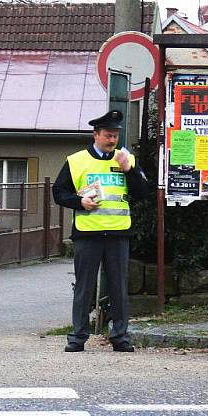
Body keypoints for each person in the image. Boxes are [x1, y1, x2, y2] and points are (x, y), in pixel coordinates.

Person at [51, 109, 149, 353]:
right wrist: (79, 202)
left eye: (115, 135)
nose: (112, 140)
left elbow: (142, 193)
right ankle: (77, 337)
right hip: (88, 233)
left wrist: (129, 171)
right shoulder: (76, 161)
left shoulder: (127, 160)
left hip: (118, 233)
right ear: (95, 135)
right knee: (84, 287)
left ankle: (120, 337)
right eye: (108, 135)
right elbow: (58, 193)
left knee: (118, 287)